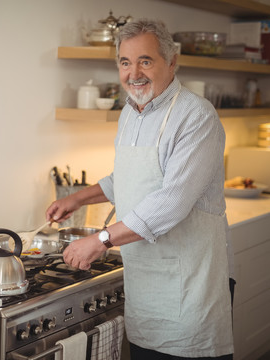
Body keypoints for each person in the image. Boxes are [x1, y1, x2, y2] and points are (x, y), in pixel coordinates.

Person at [46, 19, 234, 359]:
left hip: (189, 287)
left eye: (145, 61)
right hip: (145, 284)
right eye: (125, 62)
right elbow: (128, 179)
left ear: (172, 62)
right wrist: (76, 198)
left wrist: (100, 240)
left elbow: (172, 201)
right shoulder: (130, 113)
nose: (134, 73)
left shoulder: (196, 117)